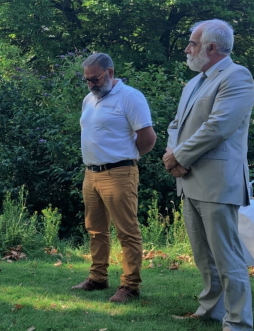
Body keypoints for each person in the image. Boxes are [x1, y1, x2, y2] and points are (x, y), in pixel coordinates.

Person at [164, 19, 254, 331]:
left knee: (227, 258)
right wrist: (171, 156)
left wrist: (179, 157)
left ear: (211, 48)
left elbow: (218, 127)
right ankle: (210, 311)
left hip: (218, 182)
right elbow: (176, 125)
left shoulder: (237, 76)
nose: (188, 50)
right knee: (204, 257)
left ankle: (238, 322)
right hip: (189, 181)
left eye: (192, 44)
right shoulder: (194, 82)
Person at [71, 53, 156, 303]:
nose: (91, 84)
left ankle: (130, 285)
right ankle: (98, 278)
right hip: (91, 173)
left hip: (119, 173)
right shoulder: (89, 99)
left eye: (95, 79)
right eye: (87, 80)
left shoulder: (130, 97)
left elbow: (148, 138)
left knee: (126, 231)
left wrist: (125, 157)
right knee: (95, 229)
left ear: (110, 72)